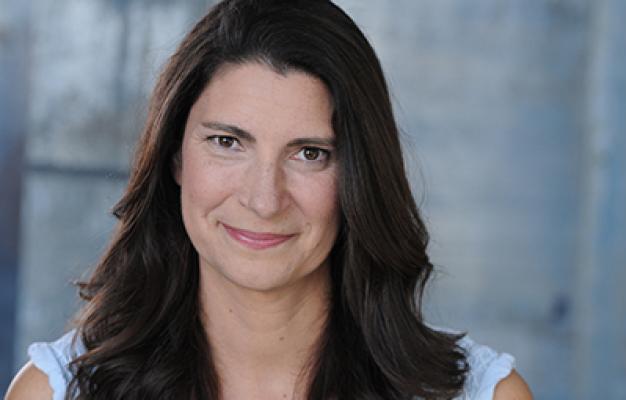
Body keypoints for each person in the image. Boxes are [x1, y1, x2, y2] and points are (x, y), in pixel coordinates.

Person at [6, 0, 533, 399]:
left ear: (359, 175)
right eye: (228, 142)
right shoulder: (57, 392)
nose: (264, 199)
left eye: (309, 153)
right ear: (174, 158)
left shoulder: (481, 394)